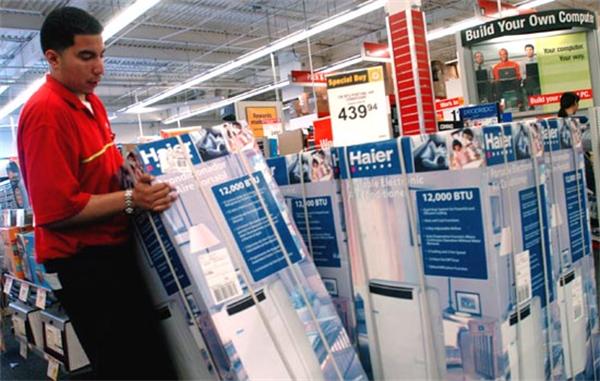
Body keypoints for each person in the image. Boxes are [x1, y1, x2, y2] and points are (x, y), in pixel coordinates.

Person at [17, 7, 177, 379]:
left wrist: (130, 173)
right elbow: (56, 210)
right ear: (53, 59)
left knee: (149, 355)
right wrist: (130, 200)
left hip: (113, 250)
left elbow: (102, 165)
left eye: (101, 55)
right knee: (126, 363)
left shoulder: (92, 102)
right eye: (86, 57)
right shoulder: (45, 113)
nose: (99, 68)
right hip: (86, 264)